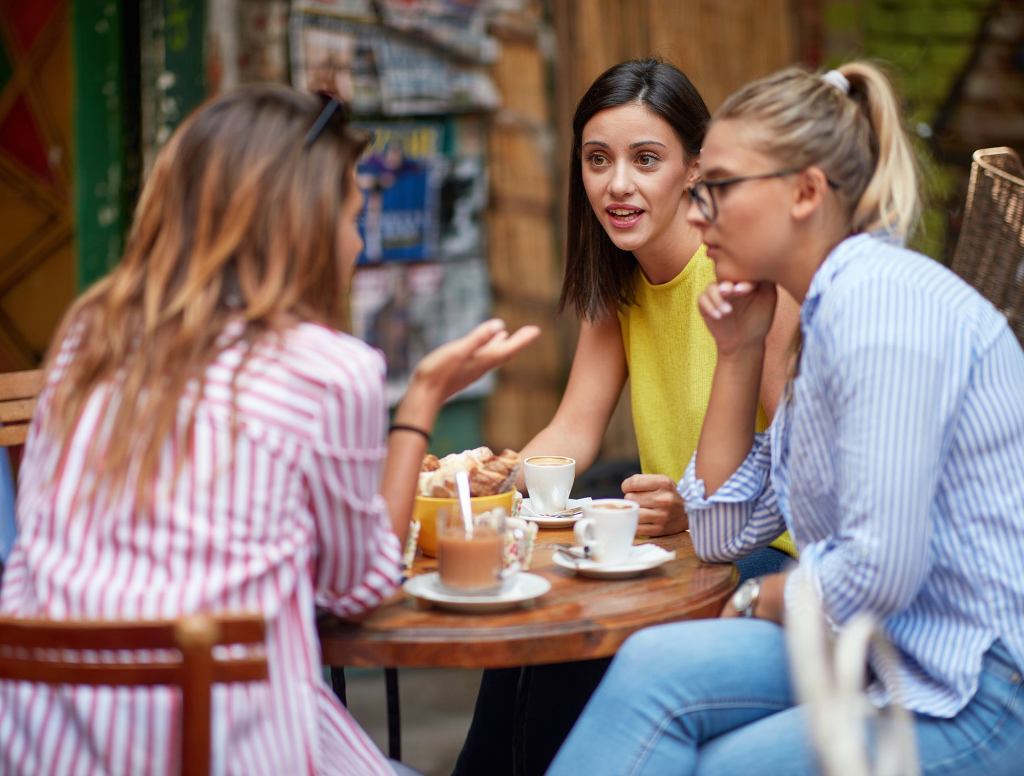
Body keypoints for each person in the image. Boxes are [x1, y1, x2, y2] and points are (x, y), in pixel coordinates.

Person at [0, 85, 539, 775]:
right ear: (302, 228)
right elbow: (360, 586)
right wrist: (422, 400)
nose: (359, 239)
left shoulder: (90, 332)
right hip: (214, 741)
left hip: (47, 741)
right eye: (350, 215)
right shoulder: (327, 369)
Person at [549, 61, 1024, 775]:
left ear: (806, 192)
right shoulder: (823, 315)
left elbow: (877, 571)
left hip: (969, 684)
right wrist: (737, 354)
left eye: (721, 189)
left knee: (718, 765)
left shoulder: (880, 312)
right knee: (651, 665)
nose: (698, 211)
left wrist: (752, 598)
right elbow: (719, 530)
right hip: (879, 645)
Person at [454, 58, 799, 776]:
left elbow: (810, 468)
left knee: (579, 651)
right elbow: (574, 431)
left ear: (696, 169)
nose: (618, 185)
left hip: (769, 556)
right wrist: (486, 480)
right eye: (597, 160)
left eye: (646, 160)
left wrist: (702, 508)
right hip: (675, 551)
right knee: (528, 616)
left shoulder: (744, 276)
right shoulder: (621, 281)